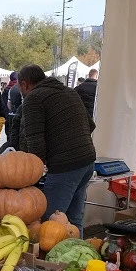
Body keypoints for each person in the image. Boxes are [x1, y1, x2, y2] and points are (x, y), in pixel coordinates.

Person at [16, 64, 97, 232]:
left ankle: (49, 259)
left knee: (50, 222)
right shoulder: (70, 92)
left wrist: (30, 176)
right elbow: (91, 125)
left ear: (25, 84)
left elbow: (35, 143)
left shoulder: (33, 98)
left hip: (65, 166)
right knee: (74, 219)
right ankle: (78, 254)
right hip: (87, 160)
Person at [5, 70, 23, 149]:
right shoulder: (22, 88)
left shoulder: (11, 89)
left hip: (10, 115)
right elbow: (23, 103)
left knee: (10, 138)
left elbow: (8, 103)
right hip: (19, 116)